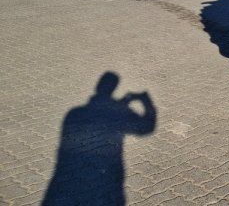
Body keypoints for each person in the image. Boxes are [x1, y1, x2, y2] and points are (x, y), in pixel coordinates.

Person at [43, 72, 156, 206]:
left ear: (97, 88)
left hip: (68, 179)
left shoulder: (74, 113)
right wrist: (146, 101)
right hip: (107, 180)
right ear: (113, 88)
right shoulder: (118, 112)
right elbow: (147, 127)